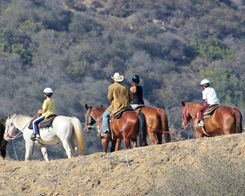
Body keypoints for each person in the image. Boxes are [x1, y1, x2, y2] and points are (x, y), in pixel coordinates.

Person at [101, 72, 132, 138]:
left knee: (104, 115)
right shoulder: (126, 87)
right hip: (128, 107)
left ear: (114, 79)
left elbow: (109, 98)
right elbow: (131, 97)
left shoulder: (111, 87)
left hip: (116, 107)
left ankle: (105, 131)